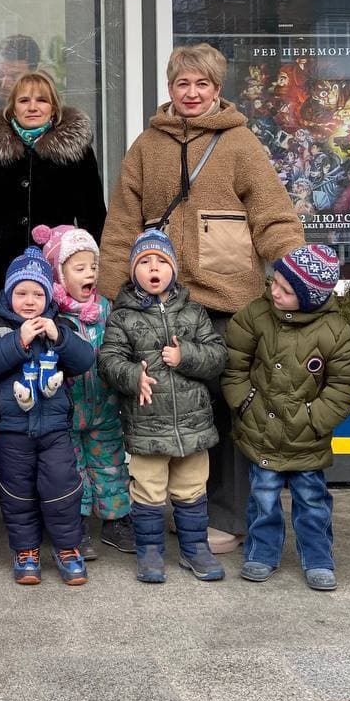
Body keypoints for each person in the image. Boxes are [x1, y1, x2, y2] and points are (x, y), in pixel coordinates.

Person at [98, 43, 304, 553]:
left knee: (226, 404)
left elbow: (272, 213)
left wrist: (296, 269)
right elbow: (124, 221)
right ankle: (184, 503)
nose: (192, 93)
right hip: (161, 299)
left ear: (217, 89)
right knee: (173, 403)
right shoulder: (147, 145)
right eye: (182, 84)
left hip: (228, 296)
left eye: (202, 84)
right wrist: (107, 296)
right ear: (169, 88)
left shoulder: (240, 144)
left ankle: (226, 516)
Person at [221, 244, 350, 591]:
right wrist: (245, 402)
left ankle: (317, 557)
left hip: (307, 437)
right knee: (262, 497)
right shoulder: (256, 315)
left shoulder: (336, 333)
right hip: (261, 428)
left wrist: (315, 418)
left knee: (312, 501)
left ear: (310, 298)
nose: (275, 292)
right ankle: (261, 552)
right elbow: (233, 363)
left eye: (286, 289)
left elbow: (344, 386)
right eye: (275, 282)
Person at [98, 229, 228, 585]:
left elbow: (217, 355)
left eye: (161, 261)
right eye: (144, 262)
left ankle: (194, 547)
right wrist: (131, 376)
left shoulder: (194, 311)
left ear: (173, 268)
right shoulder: (121, 317)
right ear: (132, 270)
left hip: (193, 425)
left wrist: (186, 356)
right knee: (149, 492)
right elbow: (108, 360)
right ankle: (150, 552)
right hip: (146, 424)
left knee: (191, 489)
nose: (153, 268)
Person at [0, 246, 96, 587]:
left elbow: (84, 359)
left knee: (62, 489)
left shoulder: (59, 325)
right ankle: (26, 550)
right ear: (8, 293)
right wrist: (18, 340)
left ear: (48, 296)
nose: (29, 301)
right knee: (18, 493)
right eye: (21, 293)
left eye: (38, 293)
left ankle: (68, 548)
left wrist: (60, 337)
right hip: (11, 430)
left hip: (55, 428)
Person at [0, 71, 107, 325]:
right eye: (24, 101)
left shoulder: (76, 153)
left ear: (53, 108)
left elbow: (94, 218)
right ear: (12, 110)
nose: (32, 107)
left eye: (41, 100)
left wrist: (95, 278)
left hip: (58, 274)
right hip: (2, 274)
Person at [33, 223, 134, 559]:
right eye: (79, 268)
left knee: (110, 464)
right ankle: (74, 524)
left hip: (104, 405)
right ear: (58, 274)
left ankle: (115, 520)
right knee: (70, 469)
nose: (90, 273)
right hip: (66, 408)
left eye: (94, 266)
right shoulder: (52, 314)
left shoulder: (105, 309)